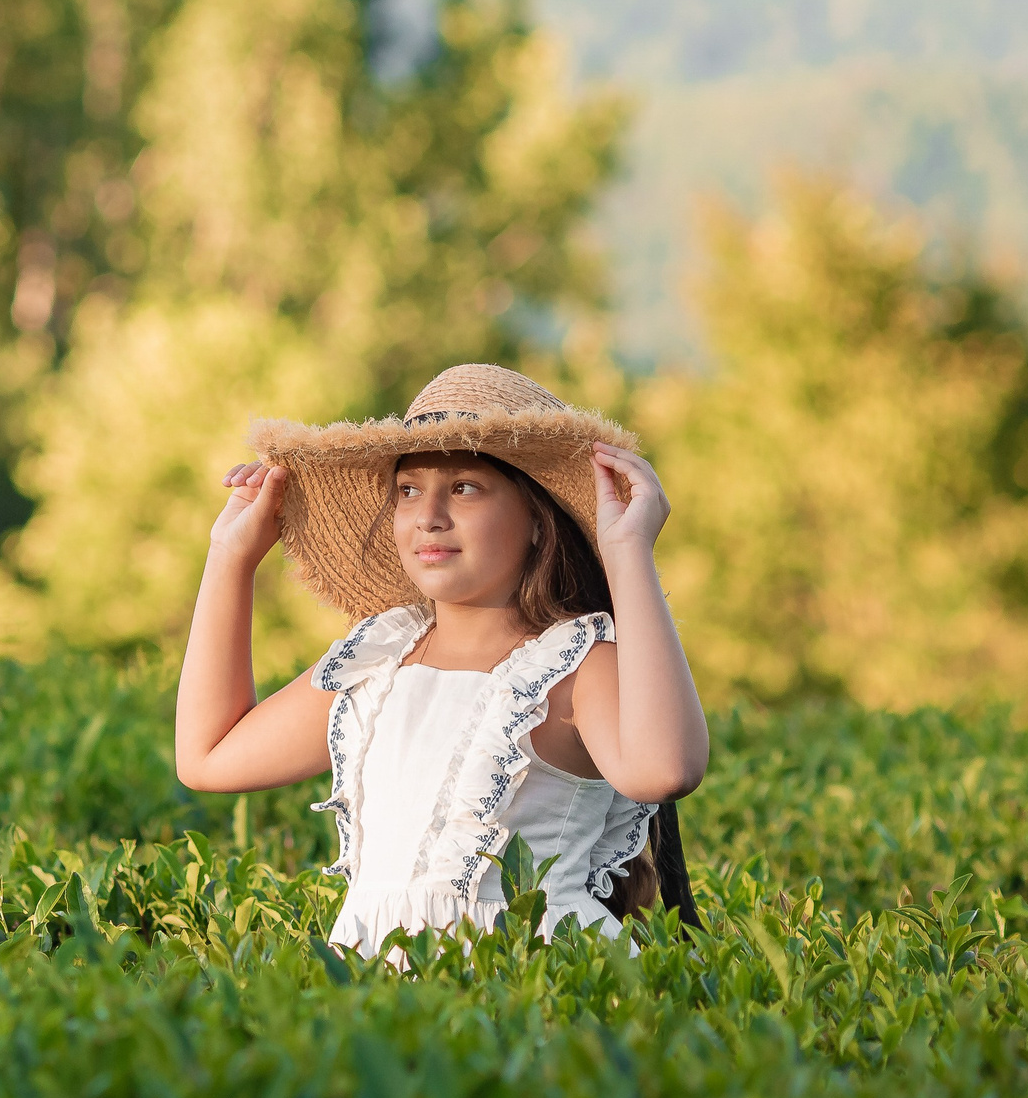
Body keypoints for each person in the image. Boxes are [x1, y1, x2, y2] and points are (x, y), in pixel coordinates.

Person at [174, 364, 709, 951]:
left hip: (536, 984)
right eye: (408, 490)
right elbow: (207, 757)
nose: (429, 514)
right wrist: (230, 558)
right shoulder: (378, 661)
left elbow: (666, 771)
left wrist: (627, 550)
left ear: (537, 518)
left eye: (464, 488)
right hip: (376, 983)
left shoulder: (575, 664)